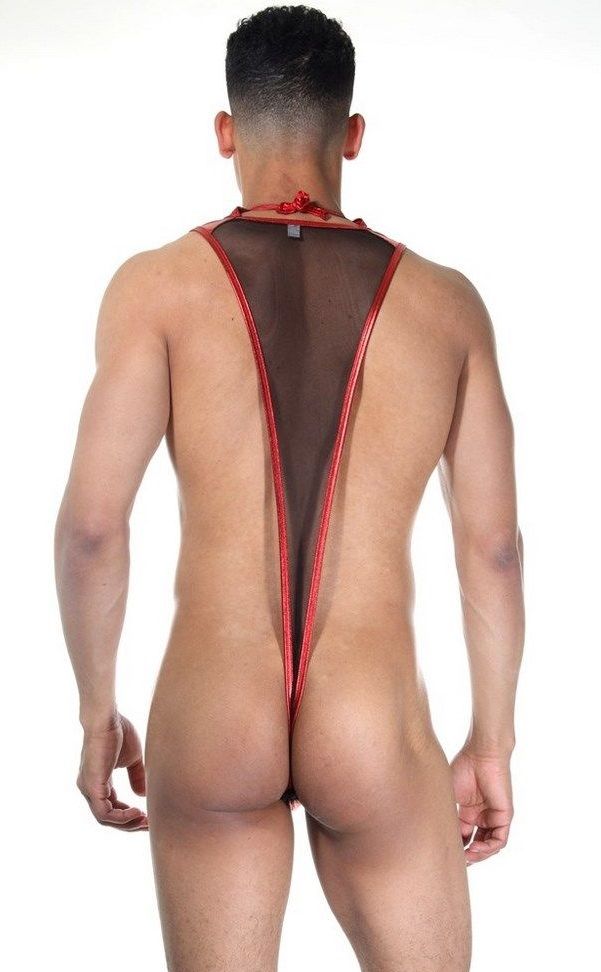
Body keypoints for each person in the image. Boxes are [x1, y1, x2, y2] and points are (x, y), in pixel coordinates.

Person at [54, 5, 525, 970]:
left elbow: (93, 529)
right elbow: (493, 549)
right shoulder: (446, 306)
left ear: (225, 132)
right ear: (352, 134)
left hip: (212, 706)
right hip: (371, 714)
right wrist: (491, 741)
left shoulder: (157, 288)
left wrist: (97, 712)